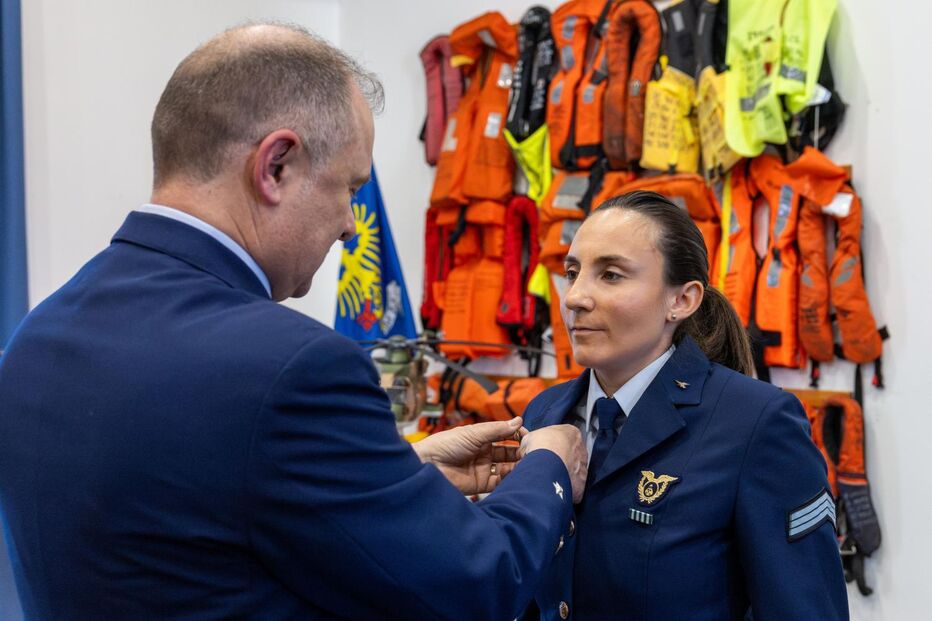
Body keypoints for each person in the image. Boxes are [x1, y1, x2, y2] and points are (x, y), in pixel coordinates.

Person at [0, 23, 588, 620]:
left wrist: (401, 473)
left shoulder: (39, 334)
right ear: (275, 166)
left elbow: (185, 505)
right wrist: (549, 467)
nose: (352, 226)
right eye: (349, 189)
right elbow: (478, 586)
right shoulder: (292, 367)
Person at [523, 191, 849, 620]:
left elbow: (805, 608)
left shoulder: (755, 422)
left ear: (682, 300)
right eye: (572, 272)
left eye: (612, 275)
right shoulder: (545, 414)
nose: (574, 297)